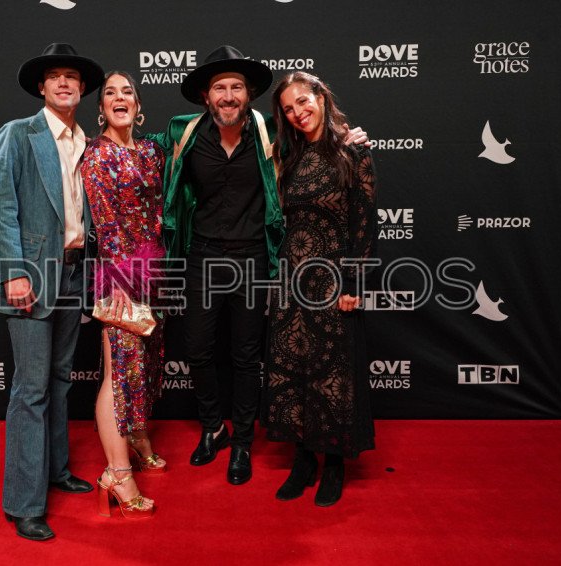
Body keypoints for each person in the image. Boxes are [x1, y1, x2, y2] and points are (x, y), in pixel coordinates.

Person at [149, 46, 368, 485]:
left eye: (236, 87)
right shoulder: (183, 132)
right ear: (206, 96)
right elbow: (139, 152)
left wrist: (345, 139)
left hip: (251, 257)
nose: (228, 95)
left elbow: (315, 146)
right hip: (201, 256)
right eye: (220, 88)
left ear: (248, 94)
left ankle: (244, 442)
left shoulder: (271, 132)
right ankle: (213, 428)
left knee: (247, 355)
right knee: (197, 349)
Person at [0, 43, 104, 540]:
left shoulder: (87, 143)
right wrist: (13, 272)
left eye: (71, 76)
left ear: (82, 88)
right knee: (30, 390)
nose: (64, 83)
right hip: (30, 276)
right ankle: (24, 503)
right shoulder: (18, 133)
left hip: (73, 273)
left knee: (58, 381)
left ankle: (55, 471)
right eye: (55, 76)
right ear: (42, 87)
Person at [264, 71, 377, 507]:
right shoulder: (289, 158)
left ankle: (333, 464)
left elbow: (363, 222)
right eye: (288, 109)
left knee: (333, 372)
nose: (298, 112)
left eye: (302, 101)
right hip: (292, 281)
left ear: (321, 97)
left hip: (333, 280)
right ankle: (303, 459)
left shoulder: (353, 151)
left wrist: (353, 282)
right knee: (295, 370)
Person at [81, 71, 166, 518]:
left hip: (153, 270)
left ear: (138, 104)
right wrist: (117, 278)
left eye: (127, 92)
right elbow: (105, 221)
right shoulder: (97, 154)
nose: (120, 98)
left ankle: (137, 437)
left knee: (145, 364)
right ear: (101, 109)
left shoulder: (151, 149)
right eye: (110, 93)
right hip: (119, 275)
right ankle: (116, 474)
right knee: (120, 371)